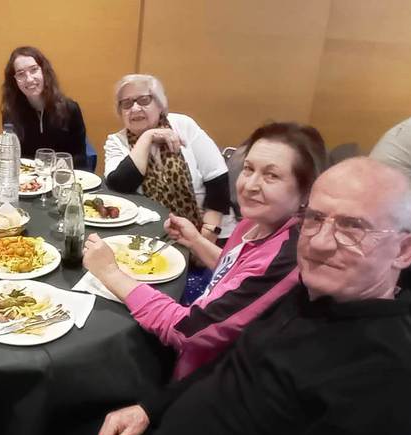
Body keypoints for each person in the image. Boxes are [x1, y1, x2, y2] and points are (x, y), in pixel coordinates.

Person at [94, 158, 411, 435]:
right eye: (315, 218)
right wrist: (150, 409)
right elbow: (232, 363)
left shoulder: (391, 383)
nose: (320, 243)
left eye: (353, 228)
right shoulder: (310, 296)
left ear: (404, 251)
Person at [84, 122, 323, 380]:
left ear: (306, 192)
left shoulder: (287, 257)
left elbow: (186, 331)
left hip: (213, 378)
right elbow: (236, 274)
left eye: (271, 175)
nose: (250, 185)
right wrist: (196, 241)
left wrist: (110, 272)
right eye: (248, 169)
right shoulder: (255, 222)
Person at [103, 74, 233, 241]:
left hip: (211, 232)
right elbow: (120, 185)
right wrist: (147, 137)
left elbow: (217, 179)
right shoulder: (116, 141)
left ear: (160, 105)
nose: (134, 108)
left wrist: (207, 233)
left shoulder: (183, 125)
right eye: (126, 104)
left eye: (143, 100)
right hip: (154, 236)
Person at [0, 46, 87, 167]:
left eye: (34, 70)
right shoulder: (10, 113)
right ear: (14, 80)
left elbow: (81, 157)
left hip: (59, 176)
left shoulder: (70, 109)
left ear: (44, 71)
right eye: (21, 74)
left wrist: (67, 162)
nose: (29, 79)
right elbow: (12, 156)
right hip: (26, 177)